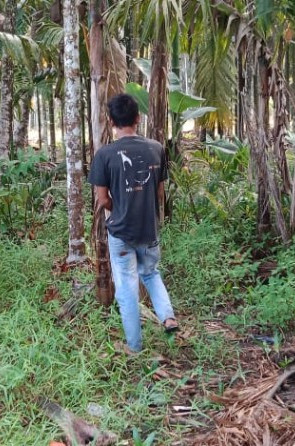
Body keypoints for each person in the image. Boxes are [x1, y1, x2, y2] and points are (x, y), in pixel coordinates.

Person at [88, 93, 179, 354]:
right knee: (151, 273)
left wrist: (122, 209)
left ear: (110, 120)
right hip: (149, 229)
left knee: (127, 288)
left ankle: (134, 347)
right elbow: (160, 193)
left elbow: (103, 199)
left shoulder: (105, 154)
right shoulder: (156, 148)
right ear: (138, 119)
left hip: (120, 232)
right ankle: (168, 316)